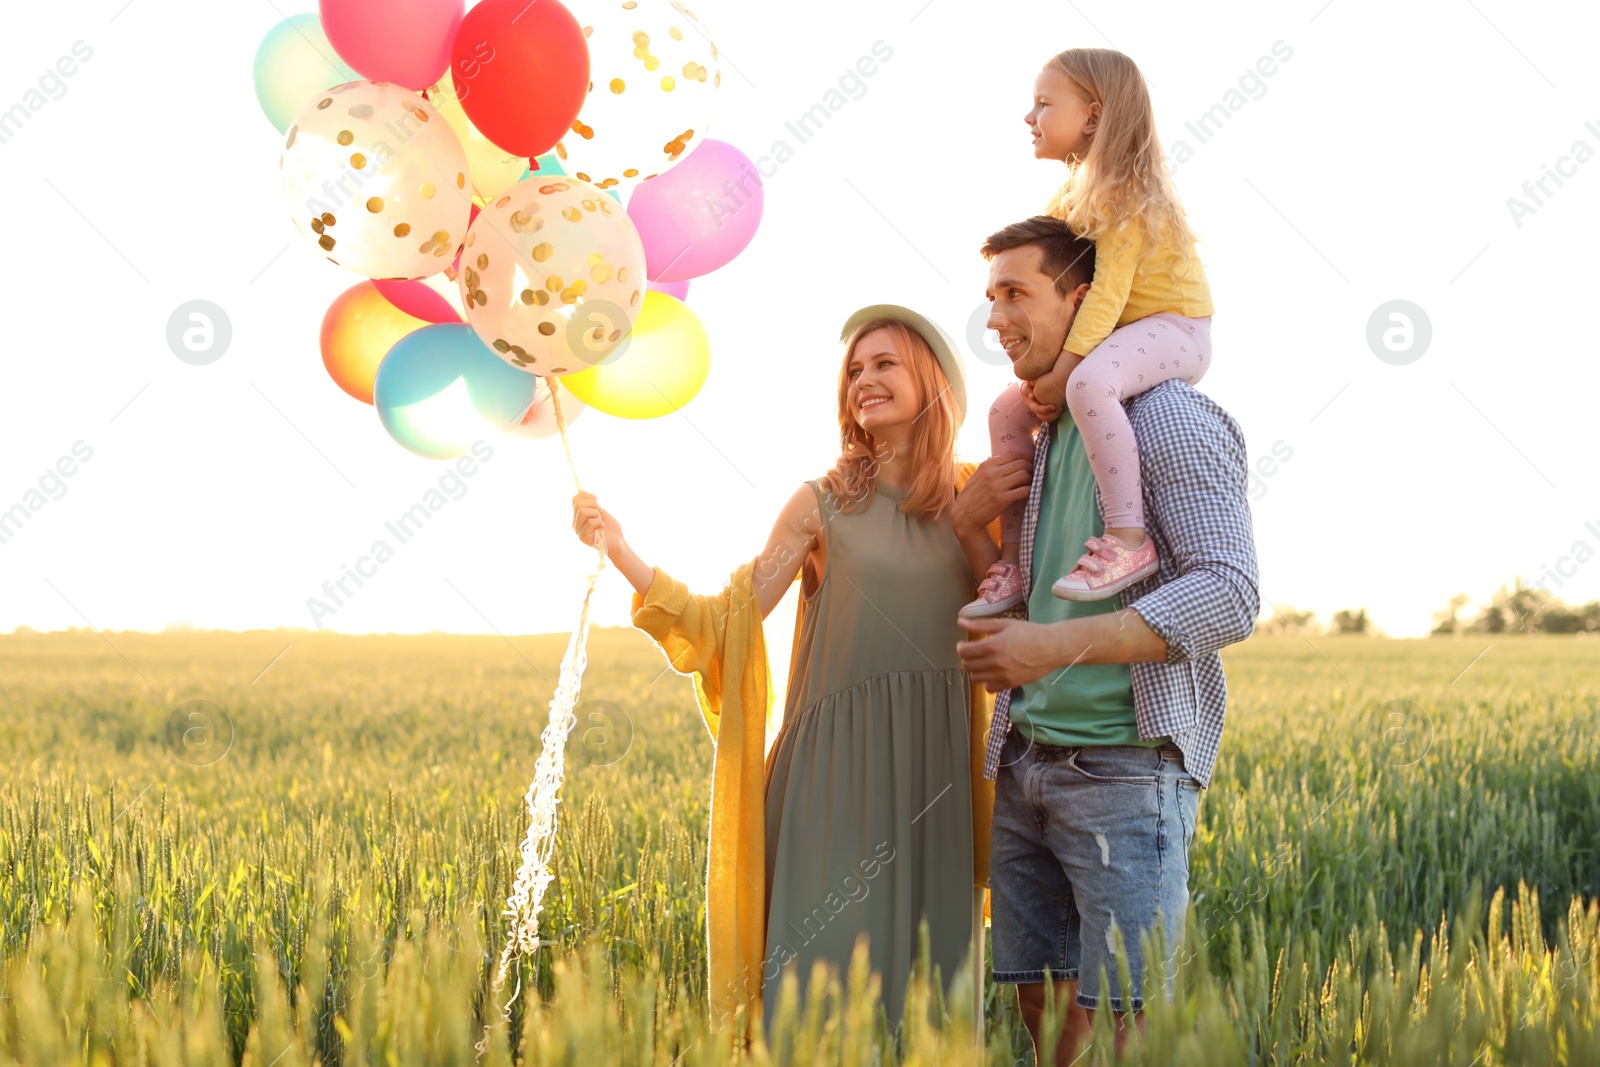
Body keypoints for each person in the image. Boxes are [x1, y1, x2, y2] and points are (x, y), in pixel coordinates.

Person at [570, 305, 1000, 1036]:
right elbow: (723, 622)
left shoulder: (979, 497)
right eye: (853, 371)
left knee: (932, 1012)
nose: (863, 379)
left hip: (939, 780)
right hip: (831, 785)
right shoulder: (822, 505)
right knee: (817, 1007)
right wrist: (621, 549)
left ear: (931, 376)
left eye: (883, 363)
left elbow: (1015, 618)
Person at [953, 213, 1258, 1066]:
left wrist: (1050, 650)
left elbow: (1230, 594)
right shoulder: (1038, 434)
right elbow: (1026, 591)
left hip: (1127, 771)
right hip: (1024, 762)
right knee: (1043, 1013)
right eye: (989, 298)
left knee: (1132, 1027)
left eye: (1017, 293)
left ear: (1082, 300)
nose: (996, 317)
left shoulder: (1168, 421)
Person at [961, 47, 1215, 618]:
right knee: (1006, 410)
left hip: (1175, 328)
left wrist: (1060, 373)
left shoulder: (1124, 191)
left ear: (1094, 116)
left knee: (1088, 385)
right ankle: (1013, 563)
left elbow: (1105, 297)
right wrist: (1036, 379)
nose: (1030, 118)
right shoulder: (1073, 193)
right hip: (1127, 331)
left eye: (1045, 104)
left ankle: (1129, 539)